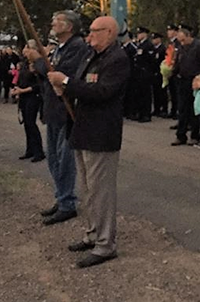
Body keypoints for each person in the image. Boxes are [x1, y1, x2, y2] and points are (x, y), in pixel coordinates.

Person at [47, 16, 130, 268]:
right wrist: (66, 89)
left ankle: (106, 245)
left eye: (95, 31)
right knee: (87, 189)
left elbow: (102, 92)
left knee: (101, 192)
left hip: (101, 134)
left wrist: (67, 82)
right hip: (82, 129)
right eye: (90, 31)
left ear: (109, 32)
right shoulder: (90, 56)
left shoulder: (117, 60)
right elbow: (81, 86)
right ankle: (92, 233)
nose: (89, 36)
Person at [24, 10, 89, 226]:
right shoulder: (59, 47)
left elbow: (60, 73)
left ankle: (67, 202)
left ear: (70, 26)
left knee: (64, 160)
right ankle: (61, 196)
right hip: (52, 108)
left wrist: (39, 60)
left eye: (58, 21)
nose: (53, 23)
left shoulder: (77, 47)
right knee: (52, 158)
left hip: (65, 109)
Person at [170, 24, 200, 146]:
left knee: (194, 110)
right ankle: (181, 135)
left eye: (183, 40)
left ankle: (195, 136)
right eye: (179, 41)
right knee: (182, 109)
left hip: (194, 81)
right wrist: (172, 72)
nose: (182, 43)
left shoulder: (198, 46)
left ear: (189, 36)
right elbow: (178, 62)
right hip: (182, 80)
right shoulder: (180, 47)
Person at [12, 59, 45, 163]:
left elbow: (39, 85)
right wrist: (17, 90)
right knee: (27, 124)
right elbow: (20, 80)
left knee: (31, 123)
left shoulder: (37, 65)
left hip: (33, 97)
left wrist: (23, 90)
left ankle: (39, 152)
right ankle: (30, 149)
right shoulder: (24, 65)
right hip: (24, 97)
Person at [131, 27, 156, 123]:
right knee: (140, 93)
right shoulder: (140, 45)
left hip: (145, 73)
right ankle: (141, 112)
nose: (138, 35)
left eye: (140, 33)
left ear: (145, 34)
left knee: (146, 94)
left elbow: (150, 60)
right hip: (139, 73)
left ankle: (146, 114)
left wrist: (148, 71)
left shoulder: (148, 45)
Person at [163, 24, 180, 120]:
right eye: (168, 31)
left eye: (171, 30)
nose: (168, 33)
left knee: (176, 92)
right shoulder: (170, 43)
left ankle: (176, 111)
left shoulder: (178, 43)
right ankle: (173, 110)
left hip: (176, 71)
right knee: (173, 91)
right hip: (171, 71)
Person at [150, 32, 167, 117]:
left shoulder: (163, 49)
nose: (153, 40)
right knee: (155, 91)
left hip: (161, 72)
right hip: (154, 72)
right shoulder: (153, 49)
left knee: (162, 92)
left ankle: (164, 109)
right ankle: (157, 108)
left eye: (155, 39)